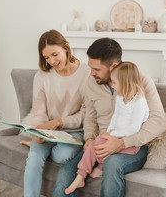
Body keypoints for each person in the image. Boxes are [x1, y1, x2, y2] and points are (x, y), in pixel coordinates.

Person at [53, 38, 166, 197]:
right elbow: (90, 117)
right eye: (90, 67)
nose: (92, 73)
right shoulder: (92, 82)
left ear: (113, 67)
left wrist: (122, 143)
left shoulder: (141, 81)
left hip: (133, 146)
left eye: (97, 69)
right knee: (66, 172)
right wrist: (90, 138)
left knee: (112, 164)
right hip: (102, 142)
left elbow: (158, 122)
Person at [64, 62, 149, 195]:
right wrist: (108, 132)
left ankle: (100, 167)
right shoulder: (121, 97)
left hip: (131, 144)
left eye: (115, 83)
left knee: (105, 150)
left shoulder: (139, 102)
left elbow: (134, 128)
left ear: (126, 83)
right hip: (115, 136)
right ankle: (81, 175)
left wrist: (114, 134)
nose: (112, 86)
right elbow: (116, 116)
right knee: (95, 143)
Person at [23, 29, 90, 197]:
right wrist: (39, 131)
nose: (52, 61)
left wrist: (59, 122)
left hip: (74, 131)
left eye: (55, 54)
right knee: (34, 159)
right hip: (48, 131)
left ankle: (37, 146)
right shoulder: (42, 76)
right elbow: (38, 111)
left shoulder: (86, 73)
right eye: (46, 57)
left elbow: (85, 114)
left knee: (62, 156)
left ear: (66, 47)